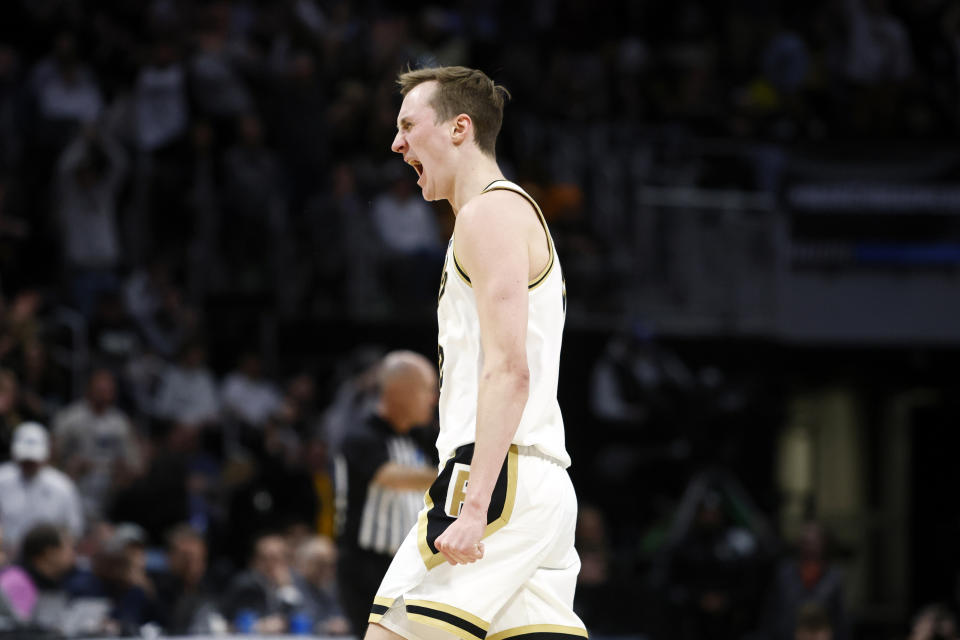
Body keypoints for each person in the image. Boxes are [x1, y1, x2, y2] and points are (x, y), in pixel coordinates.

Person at [366, 66, 586, 640]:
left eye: (409, 126)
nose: (397, 144)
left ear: (460, 128)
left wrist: (473, 507)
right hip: (537, 483)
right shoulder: (501, 213)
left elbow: (510, 370)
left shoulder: (489, 212)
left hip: (496, 480)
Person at [334, 350, 438, 636]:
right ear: (398, 390)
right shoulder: (360, 435)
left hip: (408, 568)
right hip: (366, 567)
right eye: (427, 389)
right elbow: (391, 477)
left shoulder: (416, 439)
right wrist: (452, 475)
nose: (433, 399)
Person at [0, 422, 84, 556]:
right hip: (5, 556)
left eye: (33, 459)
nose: (28, 463)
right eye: (24, 459)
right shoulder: (2, 479)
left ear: (46, 456)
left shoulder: (62, 486)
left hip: (47, 559)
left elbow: (73, 530)